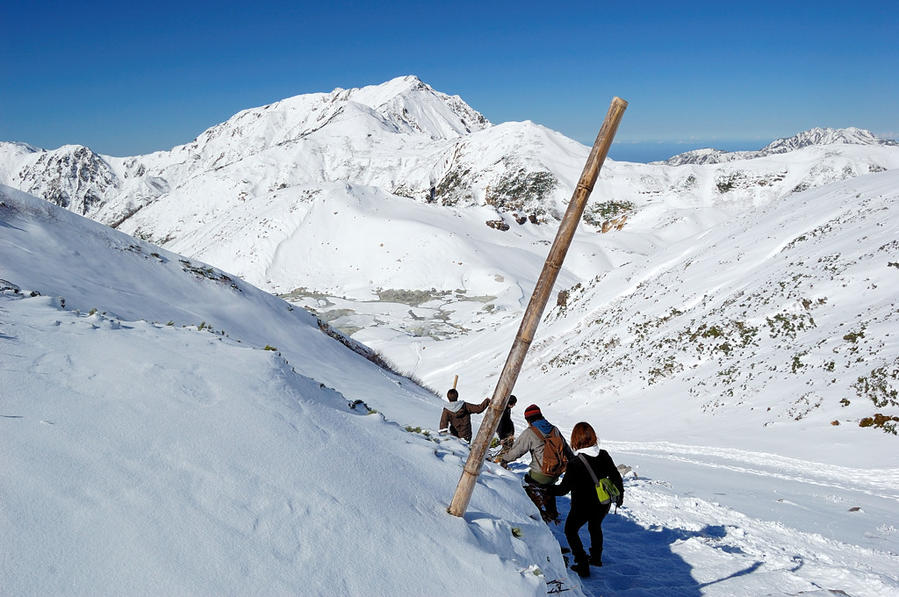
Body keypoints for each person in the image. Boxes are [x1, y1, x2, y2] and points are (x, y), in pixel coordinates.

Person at [550, 422, 624, 578]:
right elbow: (616, 476)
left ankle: (582, 562)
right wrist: (620, 495)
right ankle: (596, 558)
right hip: (603, 502)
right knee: (595, 527)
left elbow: (563, 489)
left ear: (575, 440)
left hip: (582, 506)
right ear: (593, 436)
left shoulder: (575, 463)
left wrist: (546, 489)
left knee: (570, 531)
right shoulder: (603, 454)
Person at [498, 404, 572, 523]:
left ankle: (534, 514)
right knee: (548, 486)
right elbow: (567, 450)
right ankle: (552, 513)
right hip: (556, 472)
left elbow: (516, 452)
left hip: (540, 474)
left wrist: (504, 459)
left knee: (526, 483)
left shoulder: (530, 432)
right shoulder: (554, 429)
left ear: (528, 419)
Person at [495, 394, 517, 461]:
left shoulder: (508, 409)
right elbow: (500, 424)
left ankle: (501, 462)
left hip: (508, 432)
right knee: (506, 449)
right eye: (513, 404)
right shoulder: (503, 411)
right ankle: (499, 462)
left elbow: (508, 420)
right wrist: (501, 437)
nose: (514, 405)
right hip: (504, 432)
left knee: (509, 449)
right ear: (509, 403)